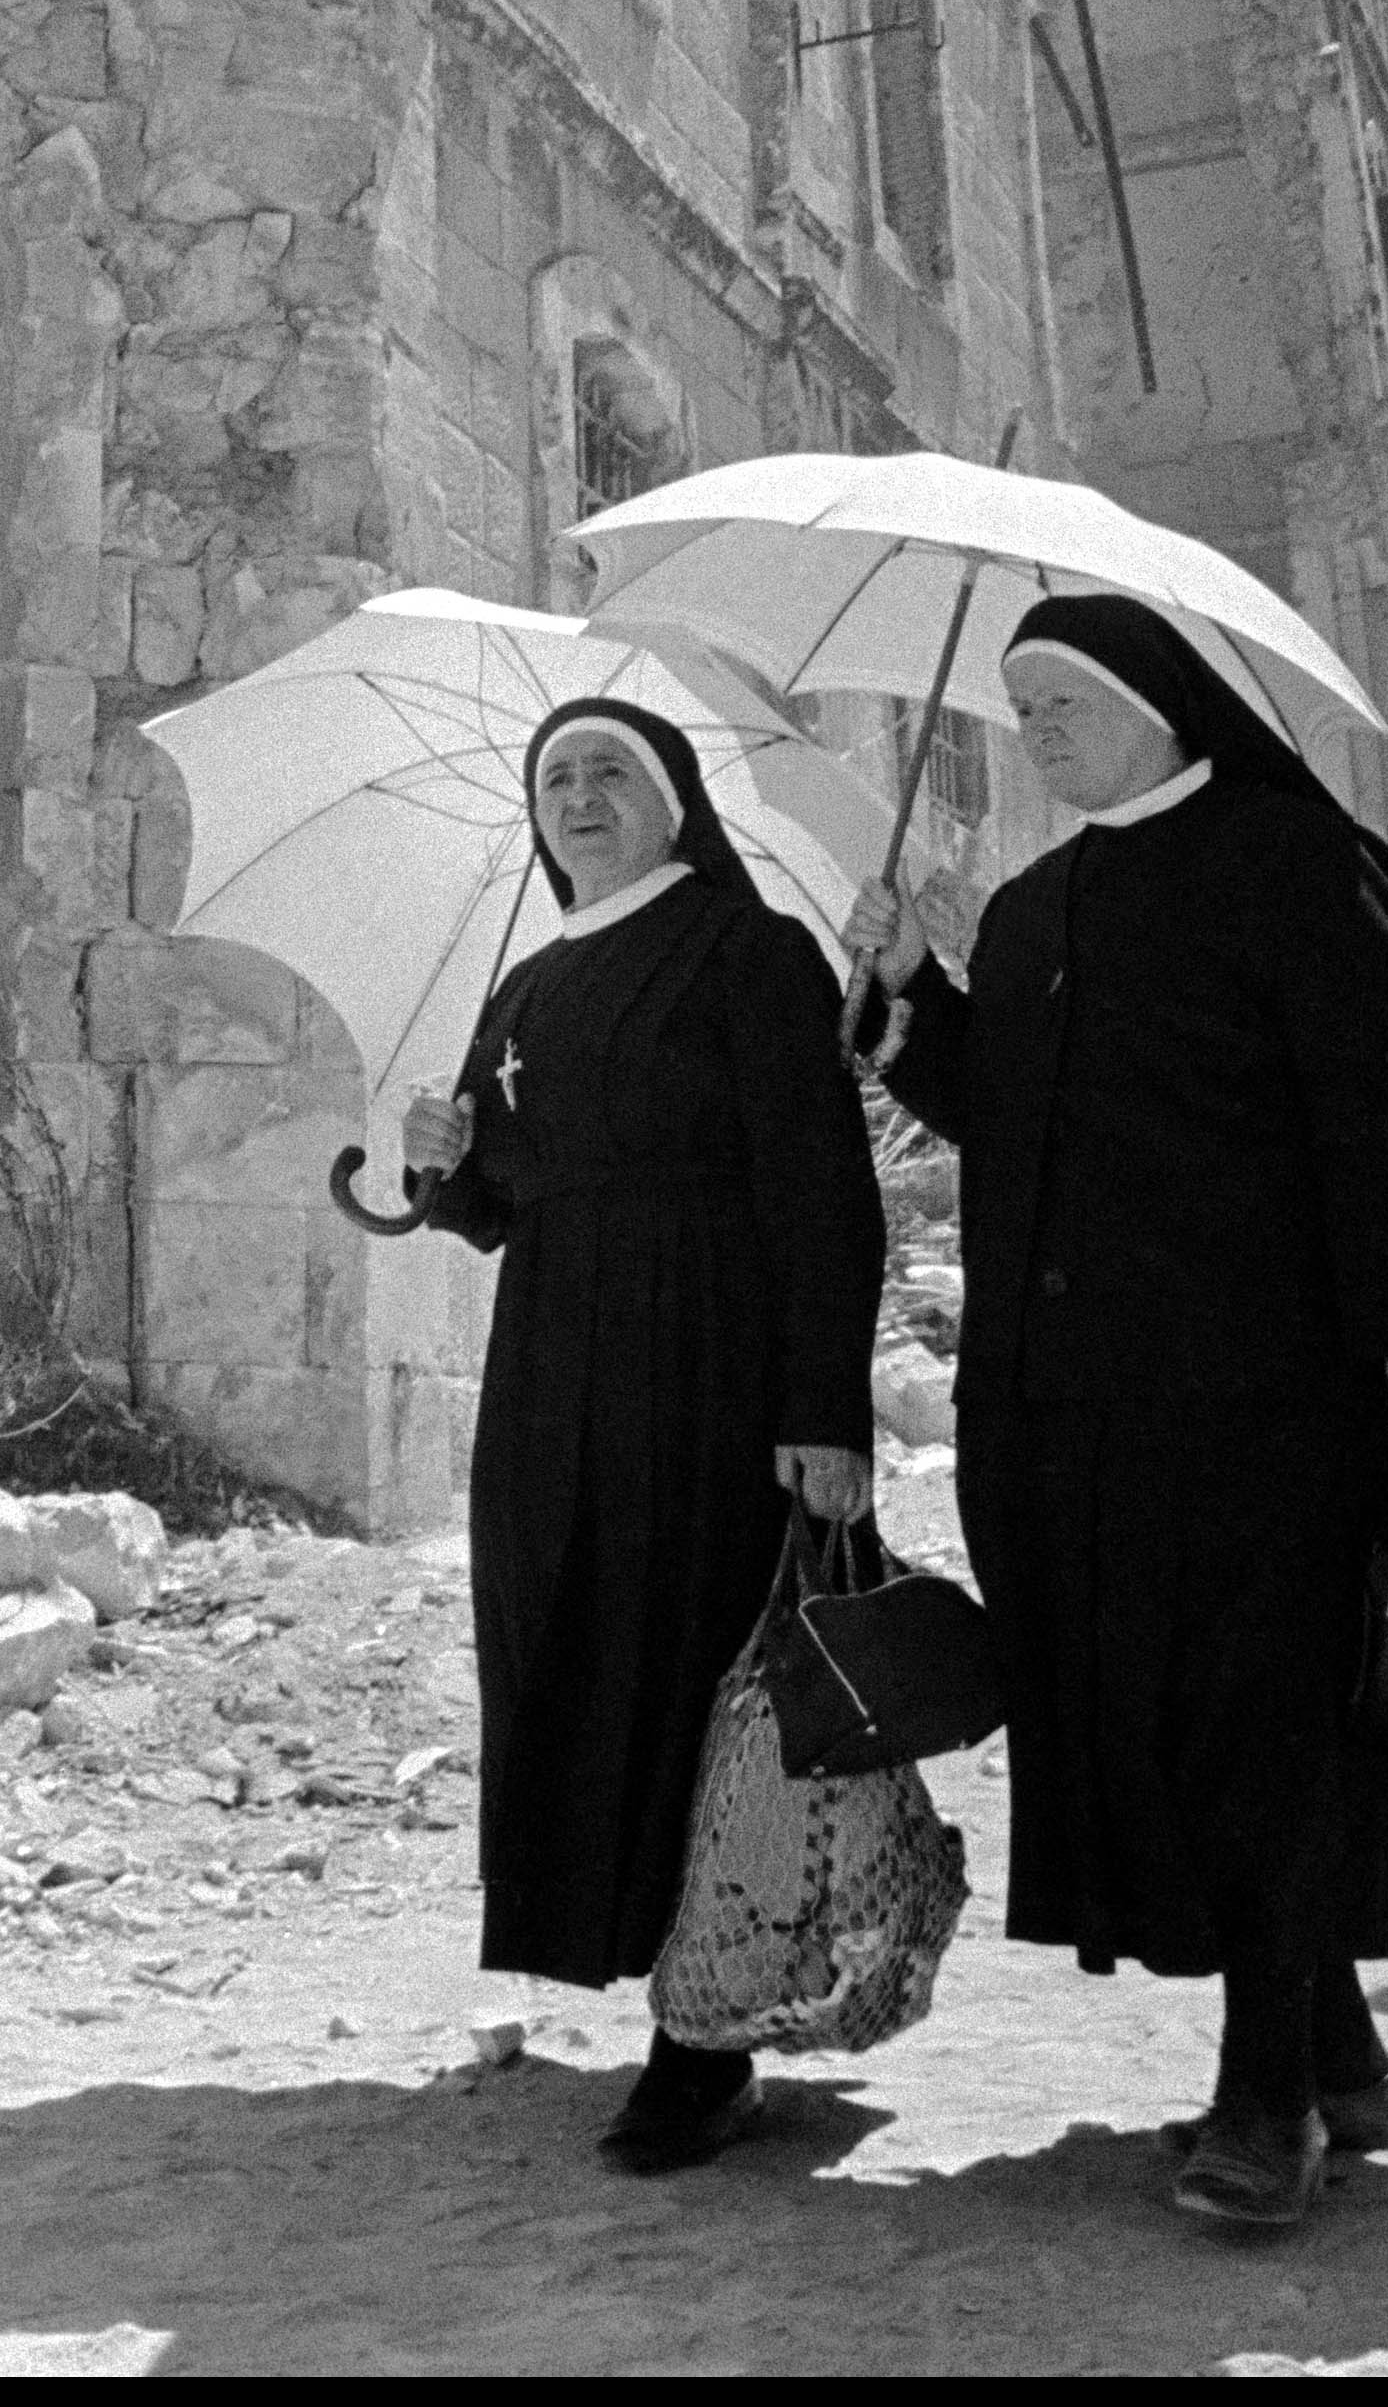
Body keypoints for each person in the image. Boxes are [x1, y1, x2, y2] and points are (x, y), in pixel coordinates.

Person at [839, 595, 1388, 2236]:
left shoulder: (1298, 857)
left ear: (1160, 699)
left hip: (1265, 1390)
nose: (1035, 727)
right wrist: (911, 996)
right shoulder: (1036, 904)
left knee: (1260, 1723)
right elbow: (1001, 1112)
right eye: (1019, 705)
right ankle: (1340, 2051)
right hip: (1062, 1409)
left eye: (1062, 696)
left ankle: (1269, 2098)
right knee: (1152, 1728)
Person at [393, 700, 887, 2175]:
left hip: (706, 1363)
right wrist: (442, 1168)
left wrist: (823, 1408)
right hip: (552, 1375)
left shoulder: (747, 953)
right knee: (571, 1651)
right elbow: (500, 1205)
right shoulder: (528, 984)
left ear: (675, 803)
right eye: (555, 778)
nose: (580, 795)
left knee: (694, 1677)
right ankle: (636, 1967)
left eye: (612, 769)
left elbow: (823, 1188)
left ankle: (707, 2043)